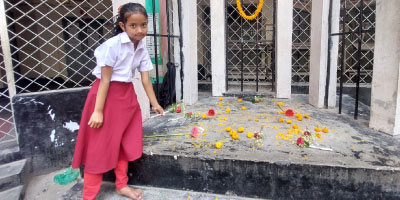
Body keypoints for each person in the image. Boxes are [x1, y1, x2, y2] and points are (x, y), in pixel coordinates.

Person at [72, 3, 164, 200]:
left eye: (143, 25)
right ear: (123, 26)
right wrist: (98, 111)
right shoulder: (112, 46)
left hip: (127, 99)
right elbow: (105, 80)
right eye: (133, 25)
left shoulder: (141, 47)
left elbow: (146, 79)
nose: (140, 30)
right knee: (99, 147)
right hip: (105, 98)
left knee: (124, 143)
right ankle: (88, 196)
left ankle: (121, 185)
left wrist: (154, 103)